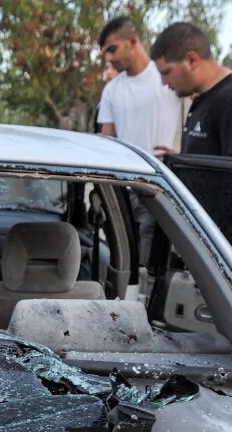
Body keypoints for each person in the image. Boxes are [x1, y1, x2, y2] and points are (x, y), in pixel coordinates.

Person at [96, 17, 180, 266]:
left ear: (132, 42)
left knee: (148, 267)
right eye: (105, 53)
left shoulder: (166, 76)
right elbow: (106, 141)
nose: (109, 58)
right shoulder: (111, 90)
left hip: (156, 188)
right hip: (122, 190)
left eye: (112, 49)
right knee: (121, 265)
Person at [149, 22, 232, 161]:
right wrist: (182, 162)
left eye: (166, 72)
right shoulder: (204, 99)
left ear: (191, 60)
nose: (164, 82)